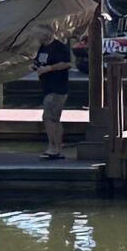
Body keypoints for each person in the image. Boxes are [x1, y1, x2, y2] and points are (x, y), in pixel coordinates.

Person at [35, 28, 76, 157]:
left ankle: (53, 148)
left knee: (49, 117)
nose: (37, 37)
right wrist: (36, 66)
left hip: (57, 88)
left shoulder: (59, 47)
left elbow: (67, 63)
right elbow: (40, 61)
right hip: (47, 87)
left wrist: (49, 68)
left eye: (39, 34)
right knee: (55, 118)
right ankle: (57, 147)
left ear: (47, 34)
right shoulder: (42, 47)